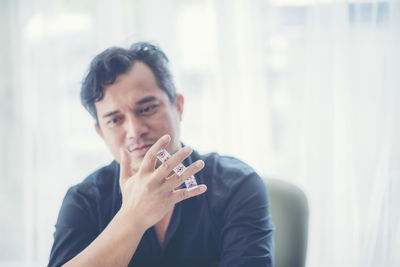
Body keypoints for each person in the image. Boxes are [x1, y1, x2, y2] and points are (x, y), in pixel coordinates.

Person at [48, 42, 274, 267]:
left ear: (178, 107)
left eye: (147, 109)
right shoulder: (84, 200)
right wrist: (132, 219)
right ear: (100, 133)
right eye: (115, 120)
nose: (135, 131)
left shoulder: (235, 186)